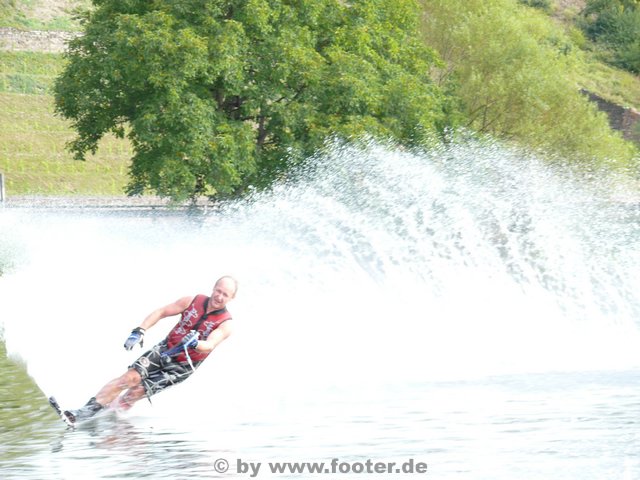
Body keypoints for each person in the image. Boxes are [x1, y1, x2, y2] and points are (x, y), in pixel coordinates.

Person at [63, 276, 237, 424]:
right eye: (218, 291)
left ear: (231, 298)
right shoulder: (191, 301)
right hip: (164, 349)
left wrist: (195, 343)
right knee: (130, 378)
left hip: (182, 366)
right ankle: (85, 412)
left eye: (225, 294)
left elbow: (210, 344)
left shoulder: (226, 324)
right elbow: (161, 312)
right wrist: (140, 330)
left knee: (137, 391)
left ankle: (109, 418)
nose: (219, 296)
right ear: (213, 288)